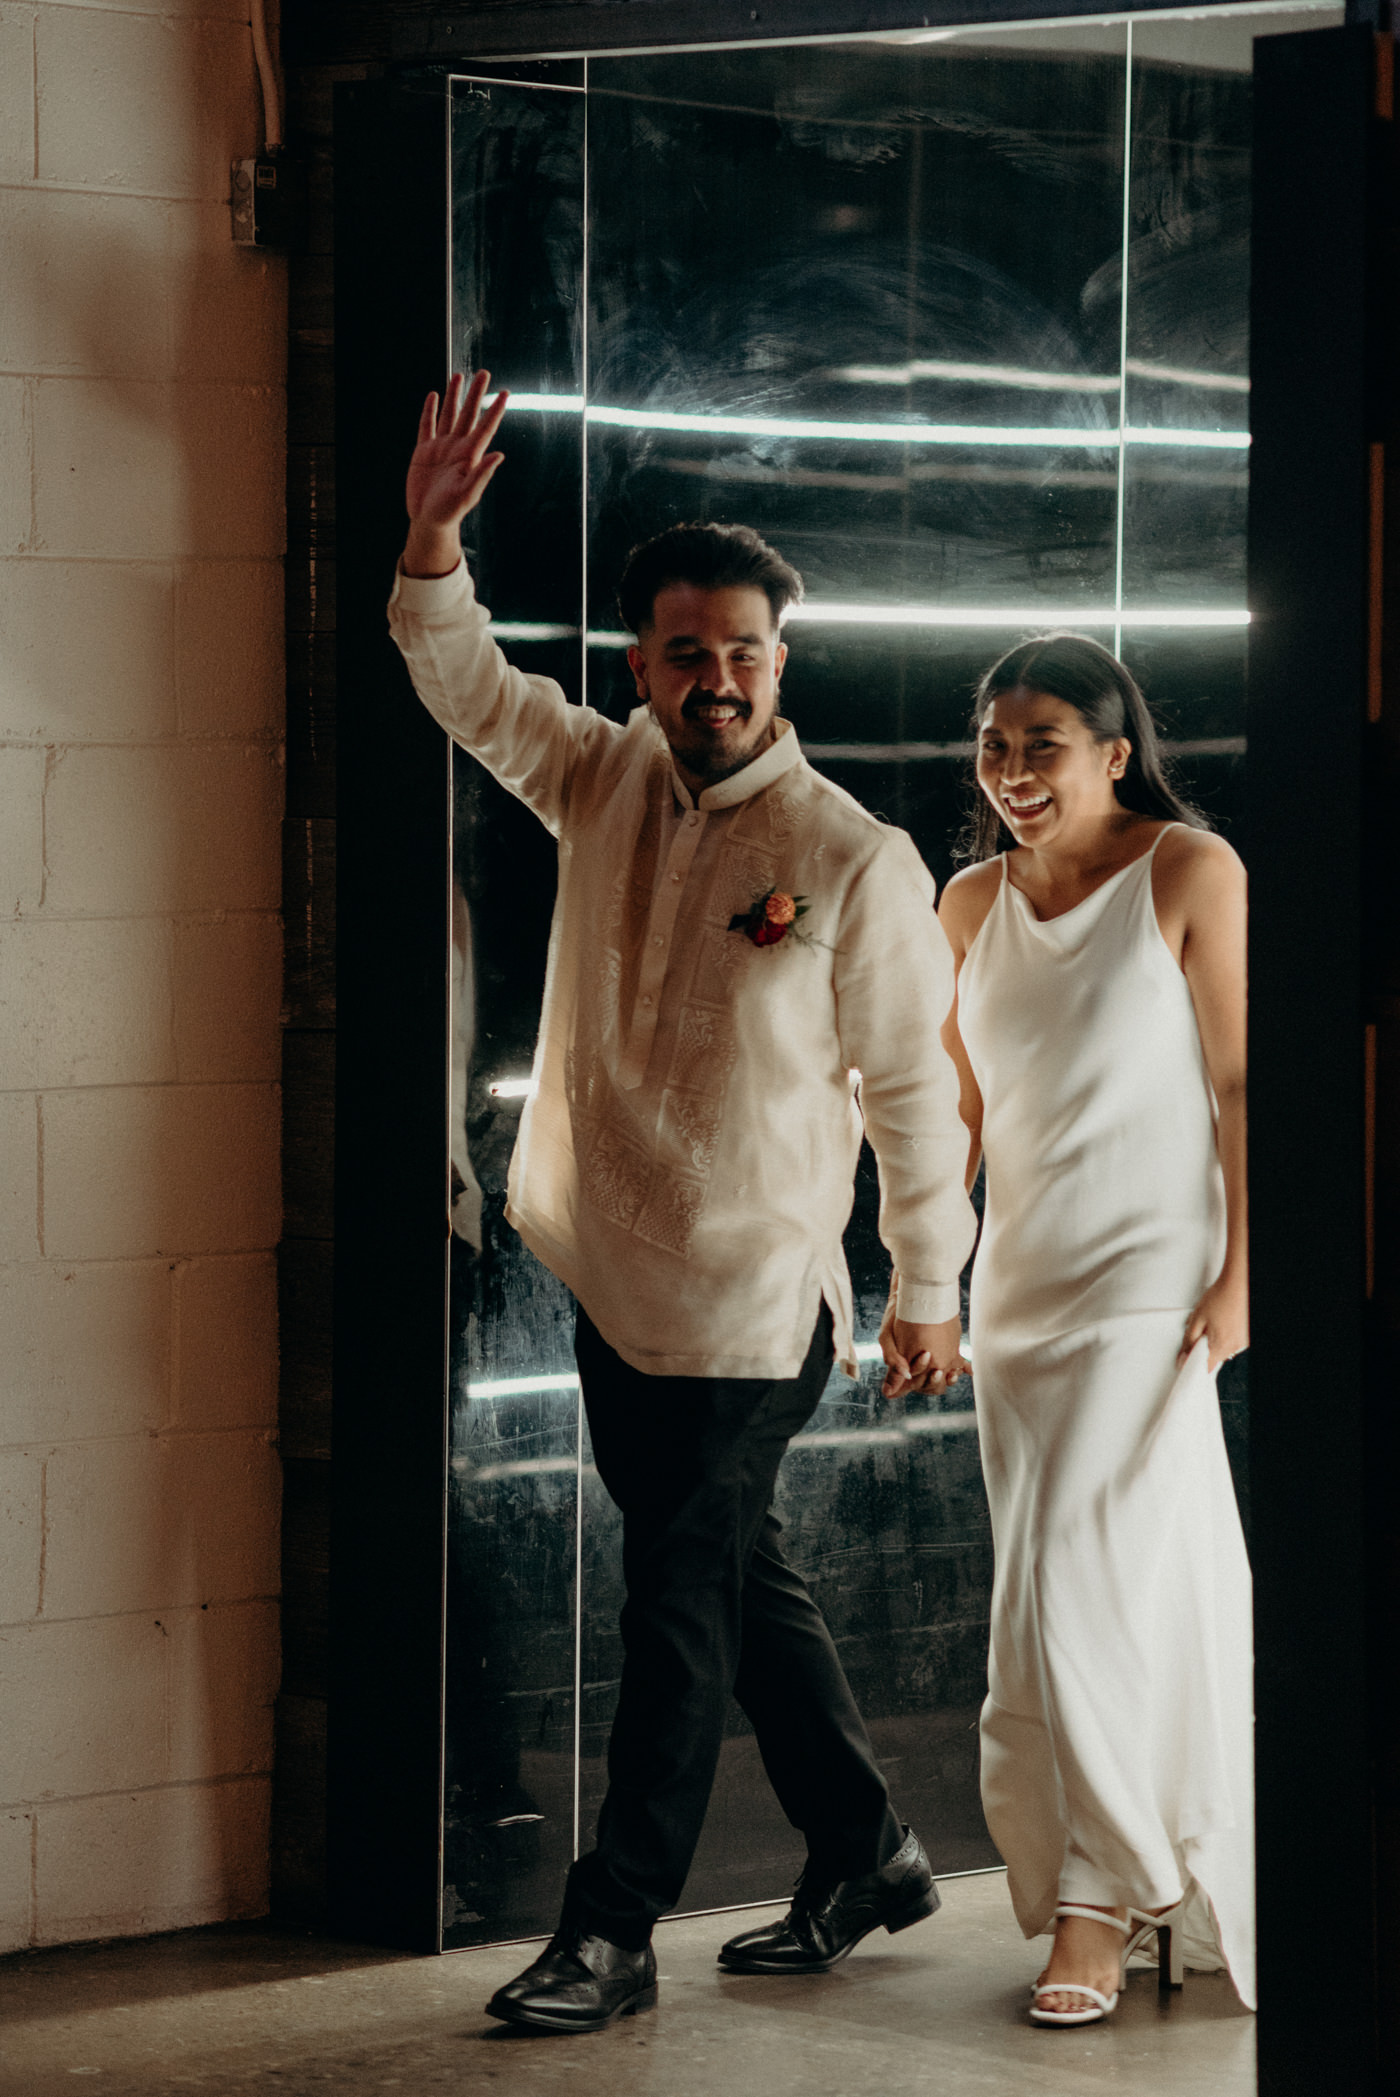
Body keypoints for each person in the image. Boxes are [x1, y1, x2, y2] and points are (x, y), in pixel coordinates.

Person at [390, 371, 978, 2034]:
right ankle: (865, 1844)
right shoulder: (597, 775)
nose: (714, 680)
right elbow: (459, 675)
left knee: (672, 1619)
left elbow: (917, 1093)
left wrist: (929, 1283)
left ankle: (612, 1925)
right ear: (641, 667)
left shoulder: (851, 856)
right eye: (683, 653)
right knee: (727, 1577)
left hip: (747, 1305)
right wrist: (435, 536)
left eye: (743, 653)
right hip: (608, 1271)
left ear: (779, 665)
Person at [895, 630, 1255, 2026]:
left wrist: (1246, 1276)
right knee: (1049, 1594)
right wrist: (923, 1284)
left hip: (1151, 1284)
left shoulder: (1189, 870)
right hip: (1023, 1294)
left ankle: (1099, 1903)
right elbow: (952, 1121)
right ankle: (1119, 1864)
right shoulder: (968, 899)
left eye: (1042, 744)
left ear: (1115, 748)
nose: (1012, 772)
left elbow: (1241, 1081)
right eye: (994, 744)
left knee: (1077, 1579)